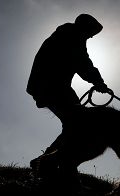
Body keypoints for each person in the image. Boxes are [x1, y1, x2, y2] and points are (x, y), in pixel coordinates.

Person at [27, 14, 111, 180]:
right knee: (78, 123)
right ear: (85, 27)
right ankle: (52, 165)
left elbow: (81, 62)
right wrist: (98, 82)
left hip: (50, 85)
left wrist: (97, 81)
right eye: (92, 33)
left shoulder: (66, 34)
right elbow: (83, 62)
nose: (91, 36)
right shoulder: (72, 36)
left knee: (75, 124)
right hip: (52, 85)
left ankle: (46, 162)